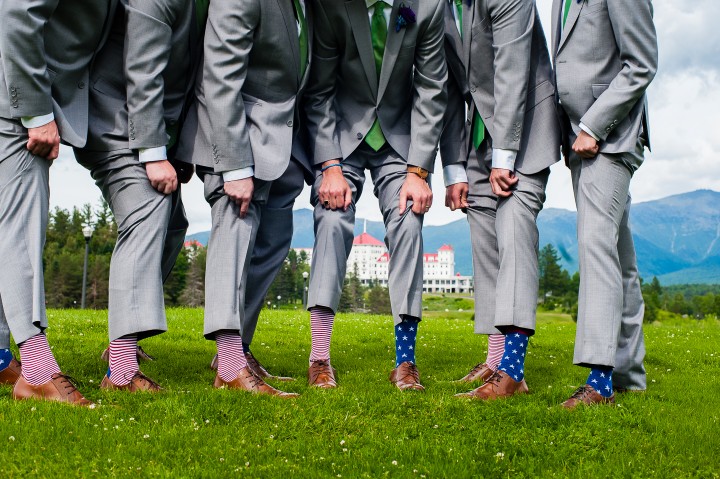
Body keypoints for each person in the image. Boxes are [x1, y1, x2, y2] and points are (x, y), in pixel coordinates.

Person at [303, 0, 447, 391]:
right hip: (342, 137)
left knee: (409, 220)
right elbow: (319, 91)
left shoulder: (426, 7)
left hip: (399, 142)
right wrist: (329, 166)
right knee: (331, 220)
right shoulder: (332, 7)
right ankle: (319, 358)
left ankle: (405, 362)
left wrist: (418, 172)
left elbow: (432, 90)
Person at [176, 0, 312, 397]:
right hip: (233, 139)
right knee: (234, 235)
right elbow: (219, 76)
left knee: (272, 243)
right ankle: (231, 368)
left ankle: (238, 353)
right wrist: (234, 166)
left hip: (280, 142)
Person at [73, 0, 208, 391]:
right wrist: (152, 153)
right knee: (147, 209)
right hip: (115, 118)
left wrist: (177, 150)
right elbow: (144, 70)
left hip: (146, 125)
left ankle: (122, 339)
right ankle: (121, 371)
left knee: (174, 224)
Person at [0, 0, 117, 405]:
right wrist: (35, 112)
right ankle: (36, 371)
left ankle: (0, 359)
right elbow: (16, 11)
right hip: (14, 105)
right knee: (20, 232)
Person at [551, 0, 658, 408]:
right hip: (582, 142)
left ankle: (600, 381)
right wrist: (569, 134)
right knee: (618, 257)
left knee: (596, 247)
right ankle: (629, 373)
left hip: (609, 138)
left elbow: (642, 63)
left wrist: (593, 126)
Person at [452, 0, 560, 400]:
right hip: (477, 138)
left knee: (513, 234)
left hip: (524, 133)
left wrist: (503, 156)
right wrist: (454, 169)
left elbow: (512, 70)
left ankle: (513, 371)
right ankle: (496, 361)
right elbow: (451, 88)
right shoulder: (446, 7)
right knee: (485, 245)